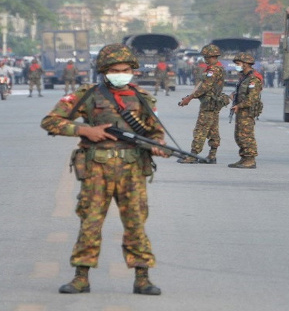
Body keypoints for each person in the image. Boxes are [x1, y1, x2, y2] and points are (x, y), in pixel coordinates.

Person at [40, 43, 166, 295]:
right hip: (97, 167)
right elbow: (51, 121)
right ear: (105, 71)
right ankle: (81, 277)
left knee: (135, 223)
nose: (122, 73)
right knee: (91, 222)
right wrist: (85, 130)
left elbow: (155, 133)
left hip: (132, 168)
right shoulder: (86, 95)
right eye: (116, 69)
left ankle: (142, 278)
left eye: (127, 69)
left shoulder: (142, 97)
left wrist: (158, 146)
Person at [177, 44, 225, 164]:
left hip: (209, 104)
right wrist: (190, 96)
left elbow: (204, 87)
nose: (205, 59)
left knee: (201, 129)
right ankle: (212, 155)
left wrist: (190, 98)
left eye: (206, 57)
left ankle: (193, 155)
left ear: (211, 56)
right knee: (213, 130)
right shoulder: (216, 68)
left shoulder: (213, 70)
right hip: (214, 103)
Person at [228, 52, 263, 169]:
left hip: (247, 111)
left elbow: (252, 98)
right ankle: (244, 158)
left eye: (238, 63)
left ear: (246, 64)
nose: (237, 66)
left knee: (246, 135)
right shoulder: (244, 77)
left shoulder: (253, 79)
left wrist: (240, 105)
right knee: (238, 135)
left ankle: (250, 159)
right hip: (241, 110)